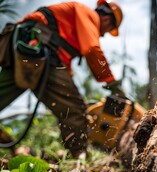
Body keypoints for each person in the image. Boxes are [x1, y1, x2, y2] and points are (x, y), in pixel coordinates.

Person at [0, 0, 125, 159]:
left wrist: (70, 85)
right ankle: (79, 158)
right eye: (107, 31)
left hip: (24, 48)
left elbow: (63, 64)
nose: (102, 34)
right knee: (74, 109)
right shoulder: (88, 14)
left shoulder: (70, 23)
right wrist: (112, 83)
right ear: (107, 19)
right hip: (39, 50)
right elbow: (92, 49)